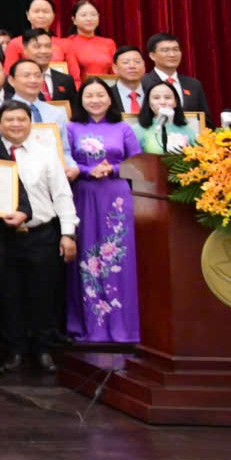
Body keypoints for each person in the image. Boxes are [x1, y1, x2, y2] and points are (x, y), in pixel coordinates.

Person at [0, 99, 76, 374]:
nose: (16, 124)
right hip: (3, 236)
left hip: (41, 234)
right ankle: (15, 350)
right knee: (10, 296)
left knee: (42, 294)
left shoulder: (46, 153)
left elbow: (62, 195)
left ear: (31, 123)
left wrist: (68, 233)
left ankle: (43, 350)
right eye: (9, 120)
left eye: (21, 119)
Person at [65, 77, 141, 345]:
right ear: (81, 100)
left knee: (119, 257)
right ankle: (89, 324)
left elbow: (138, 163)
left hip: (116, 197)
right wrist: (87, 170)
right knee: (87, 255)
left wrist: (114, 169)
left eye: (100, 95)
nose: (95, 100)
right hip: (84, 195)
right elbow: (65, 160)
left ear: (110, 99)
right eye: (89, 95)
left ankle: (122, 326)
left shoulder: (123, 127)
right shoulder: (70, 127)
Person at [54, 0, 117, 85]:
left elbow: (114, 73)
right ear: (74, 20)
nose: (89, 19)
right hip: (80, 90)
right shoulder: (67, 43)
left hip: (106, 90)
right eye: (83, 15)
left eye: (93, 15)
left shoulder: (109, 43)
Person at [137, 80, 201, 157]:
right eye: (156, 98)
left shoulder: (187, 130)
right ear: (148, 102)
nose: (163, 102)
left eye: (167, 97)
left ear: (175, 102)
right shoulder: (137, 130)